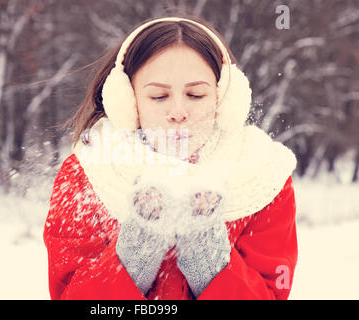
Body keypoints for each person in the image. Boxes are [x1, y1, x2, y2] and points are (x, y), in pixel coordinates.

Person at [43, 14, 298, 300]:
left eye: (196, 94)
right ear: (128, 101)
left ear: (224, 99)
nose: (178, 111)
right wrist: (135, 255)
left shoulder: (262, 176)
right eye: (159, 97)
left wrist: (209, 261)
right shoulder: (87, 172)